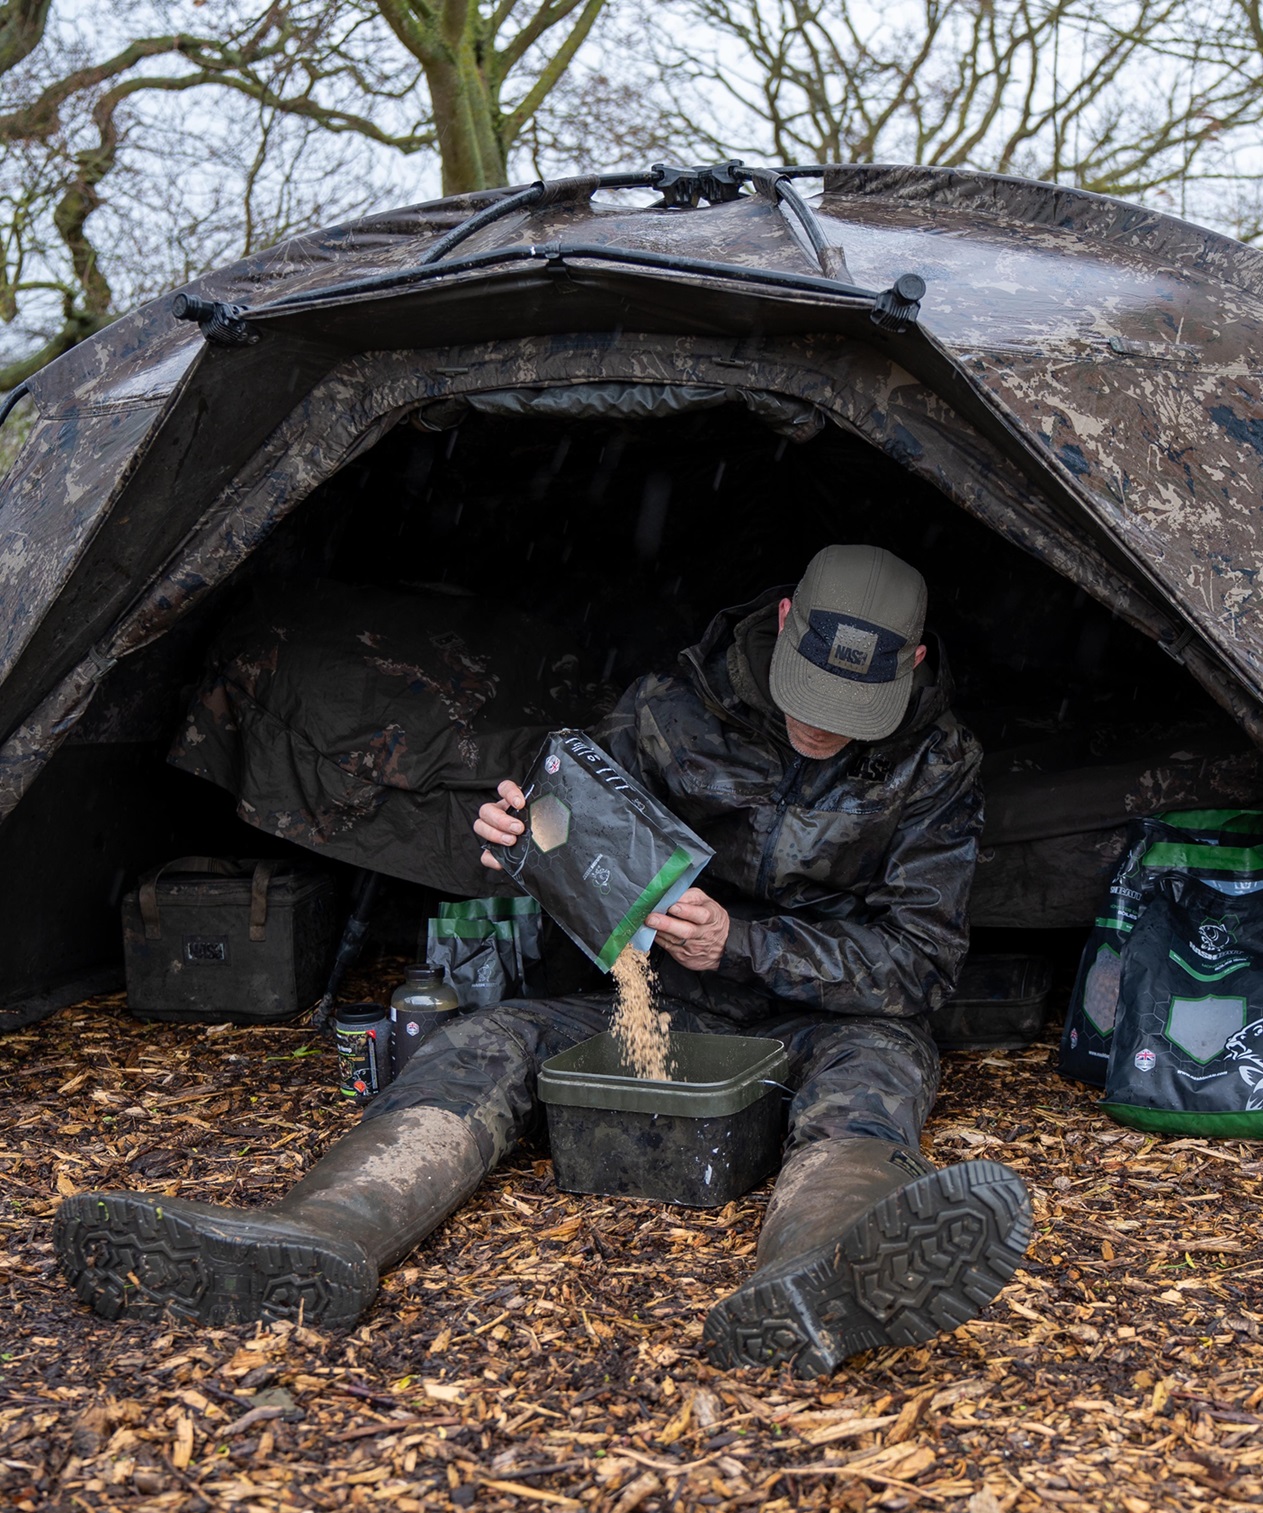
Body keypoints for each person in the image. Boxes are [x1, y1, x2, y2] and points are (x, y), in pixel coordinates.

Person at [56, 545, 1030, 1376]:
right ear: (783, 623)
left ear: (911, 660)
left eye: (855, 705)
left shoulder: (935, 762)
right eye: (810, 694)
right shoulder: (673, 711)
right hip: (671, 999)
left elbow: (920, 965)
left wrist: (745, 939)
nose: (820, 725)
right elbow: (580, 839)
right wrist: (525, 841)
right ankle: (323, 1228)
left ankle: (816, 1271)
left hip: (834, 1014)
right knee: (491, 1037)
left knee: (880, 1065)